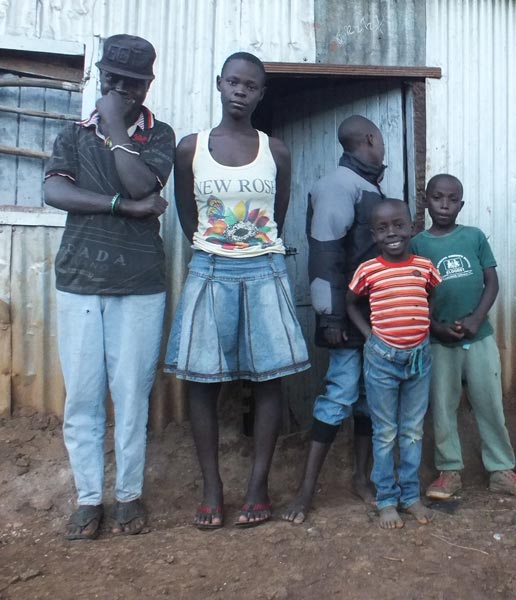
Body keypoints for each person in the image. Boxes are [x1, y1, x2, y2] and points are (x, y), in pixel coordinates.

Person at [164, 52, 309, 529]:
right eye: (233, 82)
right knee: (202, 381)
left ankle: (258, 486)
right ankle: (212, 487)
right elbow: (188, 214)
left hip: (264, 269)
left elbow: (279, 213)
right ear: (219, 84)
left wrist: (252, 249)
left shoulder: (276, 151)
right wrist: (214, 248)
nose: (240, 91)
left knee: (269, 377)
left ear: (261, 93)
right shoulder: (191, 148)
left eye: (250, 86)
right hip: (209, 269)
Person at [43, 34, 176, 539]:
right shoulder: (73, 134)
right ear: (100, 77)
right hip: (78, 280)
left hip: (139, 283)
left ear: (147, 84)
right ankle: (87, 499)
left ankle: (129, 497)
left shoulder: (158, 135)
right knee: (82, 396)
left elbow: (145, 185)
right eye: (112, 80)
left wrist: (117, 128)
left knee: (131, 394)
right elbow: (55, 190)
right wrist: (121, 207)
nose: (120, 89)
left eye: (132, 83)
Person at [282, 115, 386, 525]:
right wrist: (329, 318)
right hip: (347, 318)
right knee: (339, 394)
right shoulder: (339, 186)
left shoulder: (367, 186)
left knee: (366, 399)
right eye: (380, 142)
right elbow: (325, 253)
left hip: (374, 318)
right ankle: (306, 491)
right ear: (369, 139)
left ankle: (361, 478)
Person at [409, 174, 516, 500]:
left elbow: (491, 282)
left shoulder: (474, 237)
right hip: (440, 342)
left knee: (490, 403)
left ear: (461, 204)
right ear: (426, 201)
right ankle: (449, 471)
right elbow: (413, 293)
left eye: (452, 200)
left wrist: (476, 318)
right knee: (443, 406)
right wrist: (434, 327)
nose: (444, 205)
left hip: (479, 336)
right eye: (437, 198)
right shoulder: (418, 245)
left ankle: (500, 470)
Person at [346, 199, 441, 529]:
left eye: (399, 225)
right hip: (382, 359)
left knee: (413, 431)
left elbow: (431, 295)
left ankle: (410, 496)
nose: (392, 233)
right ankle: (386, 499)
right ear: (374, 235)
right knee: (385, 432)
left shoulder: (425, 267)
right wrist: (370, 337)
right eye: (383, 228)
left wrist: (420, 322)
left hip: (419, 358)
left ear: (411, 227)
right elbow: (352, 304)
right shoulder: (368, 270)